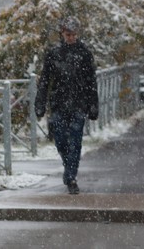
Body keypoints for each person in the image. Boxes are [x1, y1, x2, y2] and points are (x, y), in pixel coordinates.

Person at [35, 16, 99, 194]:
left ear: (77, 34)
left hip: (79, 104)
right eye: (67, 34)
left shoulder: (84, 53)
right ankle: (68, 167)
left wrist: (94, 105)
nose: (70, 37)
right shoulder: (54, 53)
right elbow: (45, 81)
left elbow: (91, 82)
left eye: (73, 34)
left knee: (75, 141)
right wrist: (40, 103)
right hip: (58, 103)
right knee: (61, 140)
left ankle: (71, 177)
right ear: (62, 34)